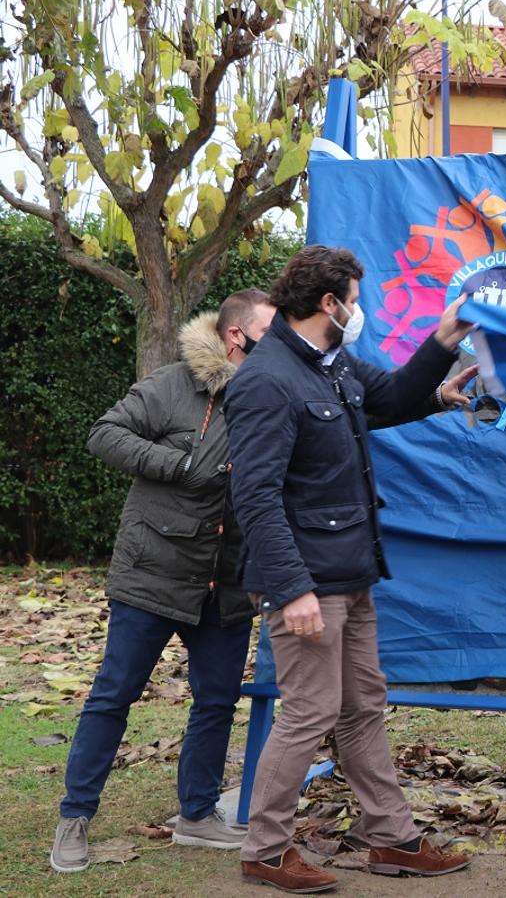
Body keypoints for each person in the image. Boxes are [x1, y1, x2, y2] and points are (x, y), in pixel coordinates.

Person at [224, 245, 478, 893]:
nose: (360, 311)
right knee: (309, 712)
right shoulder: (266, 378)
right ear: (330, 304)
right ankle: (267, 851)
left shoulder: (329, 363)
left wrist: (445, 338)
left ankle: (392, 840)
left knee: (362, 705)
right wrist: (291, 588)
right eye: (356, 300)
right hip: (306, 582)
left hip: (351, 570)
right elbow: (254, 495)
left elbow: (388, 397)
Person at [50, 289, 277, 874]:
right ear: (235, 338)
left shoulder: (272, 395)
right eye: (269, 334)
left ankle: (197, 815)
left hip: (226, 581)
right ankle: (74, 818)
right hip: (153, 571)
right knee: (114, 695)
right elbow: (104, 433)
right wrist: (179, 465)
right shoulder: (174, 384)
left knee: (218, 702)